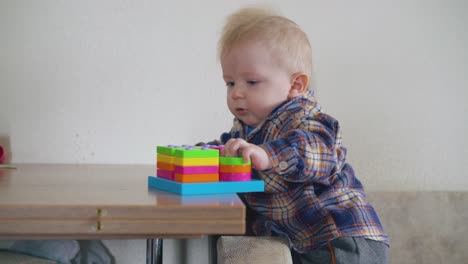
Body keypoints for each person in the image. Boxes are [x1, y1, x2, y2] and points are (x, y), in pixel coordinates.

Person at [212, 6, 389, 264]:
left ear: (296, 85)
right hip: (304, 241)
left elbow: (317, 151)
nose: (237, 93)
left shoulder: (303, 118)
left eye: (251, 82)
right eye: (230, 83)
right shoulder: (247, 128)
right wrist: (202, 154)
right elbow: (226, 148)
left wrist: (268, 155)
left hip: (341, 239)